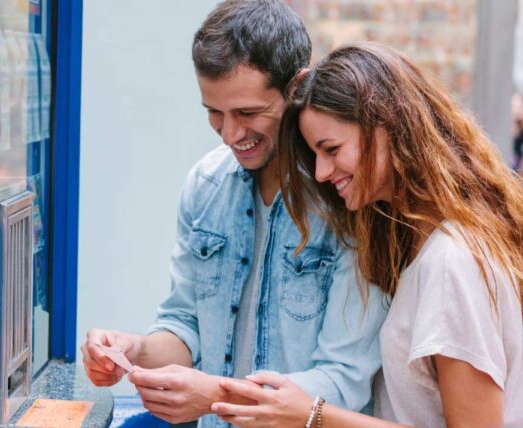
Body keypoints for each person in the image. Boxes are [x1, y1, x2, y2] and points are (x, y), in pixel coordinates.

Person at [81, 2, 387, 427]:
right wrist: (134, 350)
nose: (229, 135)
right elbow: (185, 323)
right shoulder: (205, 186)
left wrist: (214, 396)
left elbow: (343, 383)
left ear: (297, 88)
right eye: (213, 112)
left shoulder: (349, 200)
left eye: (248, 113)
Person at [211, 42, 523, 427]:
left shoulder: (451, 263)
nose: (323, 172)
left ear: (388, 128)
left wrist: (314, 416)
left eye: (331, 149)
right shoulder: (418, 242)